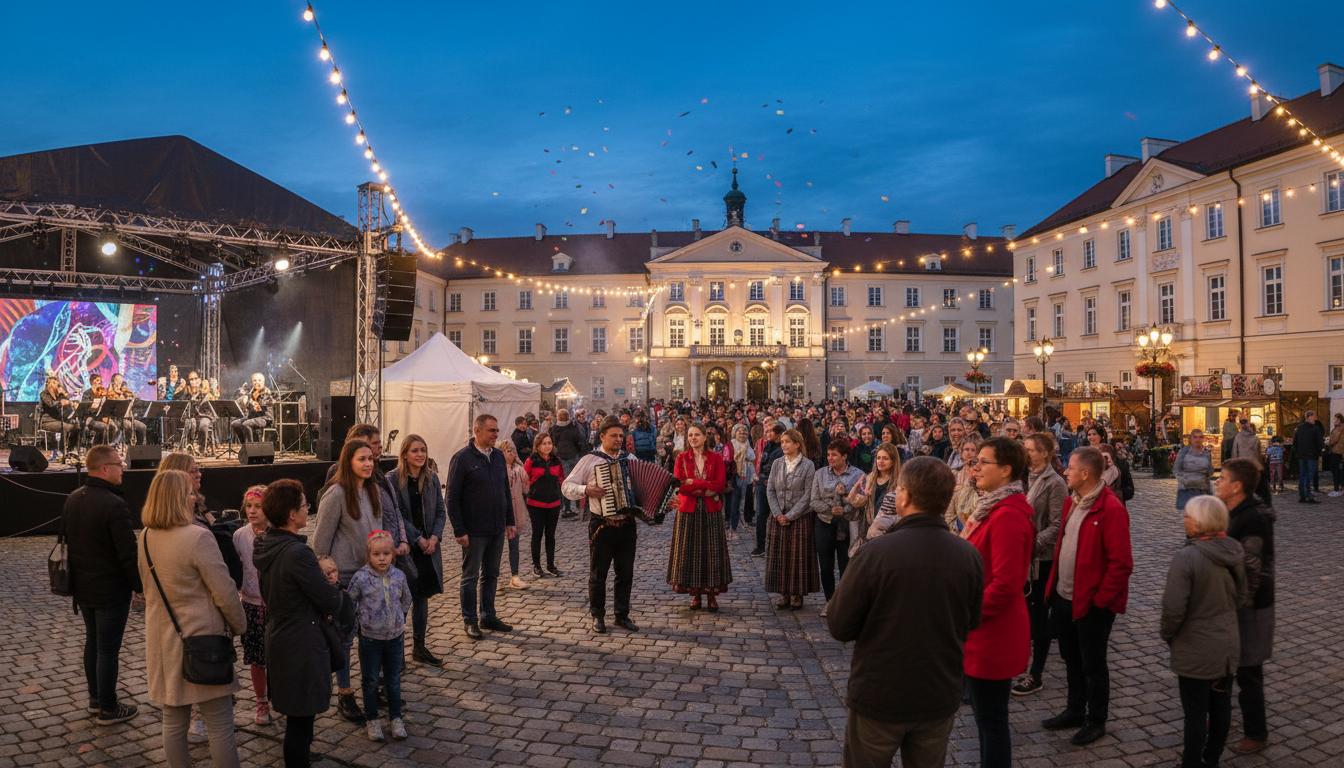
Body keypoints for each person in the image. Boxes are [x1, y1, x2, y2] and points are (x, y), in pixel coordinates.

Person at [828, 457, 983, 768]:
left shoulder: (876, 553)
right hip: (937, 692)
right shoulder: (968, 555)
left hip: (880, 694)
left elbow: (840, 624)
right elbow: (971, 620)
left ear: (906, 496)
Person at [137, 469, 246, 768]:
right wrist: (239, 625)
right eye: (188, 492)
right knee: (220, 724)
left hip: (163, 640)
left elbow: (148, 588)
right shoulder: (198, 537)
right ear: (174, 497)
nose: (195, 497)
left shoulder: (146, 536)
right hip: (202, 640)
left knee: (173, 721)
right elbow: (224, 591)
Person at [1043, 446, 1134, 746]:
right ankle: (1074, 708)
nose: (1065, 471)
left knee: (1093, 663)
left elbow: (1121, 563)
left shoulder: (1110, 508)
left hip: (1092, 602)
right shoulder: (1073, 502)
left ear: (1085, 473)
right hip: (1064, 596)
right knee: (1071, 657)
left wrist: (1100, 600)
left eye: (1070, 467)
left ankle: (1096, 719)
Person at [254, 478, 345, 768]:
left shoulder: (268, 544)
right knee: (300, 719)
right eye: (305, 505)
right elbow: (327, 598)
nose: (309, 510)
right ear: (292, 514)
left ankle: (301, 754)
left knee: (298, 715)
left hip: (284, 636)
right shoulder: (297, 553)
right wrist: (337, 593)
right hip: (300, 643)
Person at [962, 437, 1035, 768]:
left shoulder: (1007, 514)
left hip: (992, 632)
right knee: (985, 720)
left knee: (992, 722)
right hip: (982, 630)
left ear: (1006, 470)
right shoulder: (992, 506)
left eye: (983, 462)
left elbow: (1005, 584)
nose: (975, 468)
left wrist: (968, 615)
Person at [1160, 495, 1247, 768]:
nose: (1184, 519)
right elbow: (1242, 597)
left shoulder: (1187, 557)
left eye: (1188, 515)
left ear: (1200, 522)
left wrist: (1169, 634)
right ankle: (1211, 759)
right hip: (1226, 647)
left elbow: (1174, 609)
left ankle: (1192, 763)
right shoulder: (1233, 551)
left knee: (1196, 713)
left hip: (1196, 648)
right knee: (1220, 707)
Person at [62, 444, 142, 725]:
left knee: (93, 642)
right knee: (107, 649)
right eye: (120, 464)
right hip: (110, 589)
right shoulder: (114, 504)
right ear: (105, 469)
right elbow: (128, 553)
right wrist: (140, 587)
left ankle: (96, 700)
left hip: (84, 587)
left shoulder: (74, 498)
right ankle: (108, 707)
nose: (123, 469)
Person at [314, 438, 389, 721]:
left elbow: (377, 532)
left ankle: (372, 688)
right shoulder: (335, 494)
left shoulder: (374, 492)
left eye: (371, 458)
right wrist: (329, 580)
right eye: (362, 459)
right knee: (344, 641)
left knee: (370, 637)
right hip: (344, 579)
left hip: (370, 577)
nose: (369, 463)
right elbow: (320, 543)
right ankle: (344, 694)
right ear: (349, 461)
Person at [1214, 458, 1277, 756]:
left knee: (1249, 670)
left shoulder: (1251, 519)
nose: (1217, 482)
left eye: (1222, 478)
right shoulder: (1233, 511)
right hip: (1234, 603)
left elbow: (1251, 570)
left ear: (1236, 486)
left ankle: (1256, 732)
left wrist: (1236, 606)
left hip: (1250, 607)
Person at [562, 416, 642, 634]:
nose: (618, 439)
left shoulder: (631, 458)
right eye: (614, 436)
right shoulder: (590, 459)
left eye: (620, 436)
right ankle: (598, 615)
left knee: (625, 573)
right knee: (598, 573)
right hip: (602, 525)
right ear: (602, 436)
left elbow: (641, 488)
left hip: (627, 524)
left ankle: (621, 615)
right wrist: (585, 490)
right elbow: (566, 486)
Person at [446, 414, 518, 640]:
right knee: (470, 576)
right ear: (477, 431)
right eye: (491, 431)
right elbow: (452, 497)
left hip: (496, 527)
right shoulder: (462, 458)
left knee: (492, 574)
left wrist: (509, 521)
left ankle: (488, 614)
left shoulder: (497, 456)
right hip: (474, 530)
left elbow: (505, 490)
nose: (496, 434)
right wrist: (459, 529)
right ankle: (470, 619)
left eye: (497, 430)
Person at [1013, 432, 1067, 697]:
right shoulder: (1019, 477)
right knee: (1021, 614)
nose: (1026, 453)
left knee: (1038, 617)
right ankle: (1020, 663)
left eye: (1031, 449)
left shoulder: (1054, 483)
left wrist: (1030, 544)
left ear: (1045, 453)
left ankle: (1036, 673)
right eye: (1024, 448)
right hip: (1019, 558)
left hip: (1040, 559)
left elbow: (1057, 525)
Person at [347, 530, 413, 742]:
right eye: (377, 554)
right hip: (370, 639)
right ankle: (372, 719)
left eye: (386, 553)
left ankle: (395, 718)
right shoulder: (361, 578)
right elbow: (351, 602)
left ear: (393, 554)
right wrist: (360, 623)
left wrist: (399, 619)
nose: (382, 558)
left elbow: (406, 599)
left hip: (395, 637)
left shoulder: (398, 576)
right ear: (369, 556)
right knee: (371, 680)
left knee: (393, 680)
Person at [387, 434, 447, 665]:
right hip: (406, 549)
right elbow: (395, 514)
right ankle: (397, 653)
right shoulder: (393, 480)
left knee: (422, 598)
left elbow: (441, 511)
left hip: (429, 549)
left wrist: (435, 537)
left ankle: (419, 647)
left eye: (423, 450)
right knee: (402, 600)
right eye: (415, 450)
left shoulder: (431, 478)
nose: (420, 454)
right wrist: (417, 538)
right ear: (404, 454)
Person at [667, 423, 732, 610]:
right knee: (690, 552)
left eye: (696, 435)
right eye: (690, 435)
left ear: (705, 437)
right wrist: (704, 487)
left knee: (711, 551)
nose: (693, 438)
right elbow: (680, 484)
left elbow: (719, 484)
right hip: (688, 510)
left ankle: (712, 595)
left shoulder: (716, 458)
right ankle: (695, 594)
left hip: (711, 510)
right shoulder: (681, 458)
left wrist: (694, 483)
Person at [765, 429, 819, 610]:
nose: (784, 445)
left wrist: (790, 515)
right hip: (778, 515)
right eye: (782, 442)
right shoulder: (777, 463)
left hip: (799, 518)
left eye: (788, 442)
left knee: (798, 556)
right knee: (780, 556)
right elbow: (770, 489)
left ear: (797, 444)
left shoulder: (808, 465)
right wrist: (777, 513)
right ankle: (784, 593)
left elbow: (808, 494)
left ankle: (797, 593)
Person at [231, 485, 271, 725]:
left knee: (277, 656)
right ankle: (261, 701)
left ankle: (281, 695)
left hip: (274, 605)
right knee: (257, 659)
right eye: (249, 506)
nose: (253, 511)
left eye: (258, 506)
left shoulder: (277, 533)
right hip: (251, 603)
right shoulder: (240, 536)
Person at [810, 438, 864, 617]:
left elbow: (860, 501)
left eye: (834, 455)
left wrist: (846, 508)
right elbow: (814, 500)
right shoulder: (820, 474)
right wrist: (830, 509)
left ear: (845, 456)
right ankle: (829, 601)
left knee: (846, 566)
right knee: (825, 566)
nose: (830, 458)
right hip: (824, 523)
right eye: (828, 454)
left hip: (847, 525)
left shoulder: (858, 475)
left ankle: (844, 602)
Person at [846, 442, 900, 554]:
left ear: (893, 461)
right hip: (870, 530)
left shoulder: (900, 481)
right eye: (878, 458)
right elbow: (856, 503)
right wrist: (860, 491)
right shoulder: (870, 478)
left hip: (891, 532)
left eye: (885, 458)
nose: (880, 461)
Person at [524, 432, 565, 577]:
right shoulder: (531, 461)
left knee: (550, 535)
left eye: (549, 443)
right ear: (537, 446)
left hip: (553, 503)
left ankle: (551, 565)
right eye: (544, 443)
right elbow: (525, 480)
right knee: (537, 535)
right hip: (535, 504)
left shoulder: (556, 461)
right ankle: (537, 566)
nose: (547, 446)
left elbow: (561, 479)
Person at [499, 440, 532, 590]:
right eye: (508, 450)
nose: (512, 453)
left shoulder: (518, 469)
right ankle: (493, 578)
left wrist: (523, 470)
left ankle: (515, 576)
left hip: (516, 510)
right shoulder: (496, 469)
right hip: (500, 511)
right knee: (496, 547)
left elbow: (526, 489)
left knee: (514, 545)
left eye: (513, 450)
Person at [752, 423, 784, 557]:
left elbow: (772, 467)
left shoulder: (781, 448)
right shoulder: (767, 445)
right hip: (762, 484)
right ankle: (761, 545)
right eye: (767, 431)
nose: (768, 433)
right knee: (761, 515)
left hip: (775, 485)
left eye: (771, 431)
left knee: (777, 514)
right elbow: (762, 463)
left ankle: (776, 545)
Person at [945, 438, 982, 533]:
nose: (969, 453)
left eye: (973, 450)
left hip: (973, 517)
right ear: (961, 453)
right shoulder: (954, 473)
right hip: (954, 517)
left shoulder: (981, 474)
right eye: (966, 449)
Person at [39, 374, 81, 455]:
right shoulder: (44, 394)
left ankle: (70, 449)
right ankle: (63, 449)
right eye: (54, 383)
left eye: (57, 383)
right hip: (47, 421)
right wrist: (60, 402)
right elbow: (50, 404)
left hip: (59, 420)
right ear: (49, 384)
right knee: (68, 427)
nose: (57, 385)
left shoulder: (59, 395)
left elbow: (66, 404)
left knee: (77, 427)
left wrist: (70, 401)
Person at [726, 424, 755, 540]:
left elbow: (752, 457)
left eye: (744, 432)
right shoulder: (731, 444)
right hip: (733, 475)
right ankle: (732, 527)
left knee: (740, 501)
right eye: (740, 431)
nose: (742, 433)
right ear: (734, 433)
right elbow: (727, 459)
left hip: (745, 475)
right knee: (734, 502)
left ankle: (736, 523)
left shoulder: (747, 444)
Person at [1174, 430, 1214, 511]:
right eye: (1195, 437)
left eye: (1200, 437)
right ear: (1191, 439)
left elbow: (1210, 471)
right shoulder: (1184, 452)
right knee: (1191, 515)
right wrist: (1184, 480)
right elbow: (1176, 469)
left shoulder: (1206, 453)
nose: (1197, 440)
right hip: (1187, 489)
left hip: (1202, 489)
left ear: (1203, 439)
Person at [231, 372, 274, 444]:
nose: (257, 382)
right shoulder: (253, 392)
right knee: (234, 424)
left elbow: (260, 408)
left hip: (264, 418)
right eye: (254, 380)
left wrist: (250, 402)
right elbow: (248, 407)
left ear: (263, 382)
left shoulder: (267, 393)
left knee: (246, 424)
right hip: (252, 417)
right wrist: (245, 403)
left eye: (259, 380)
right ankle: (244, 445)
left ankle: (251, 447)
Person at [1292, 411, 1324, 503]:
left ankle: (1302, 495)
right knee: (1309, 475)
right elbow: (1320, 443)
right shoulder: (1315, 428)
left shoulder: (1299, 428)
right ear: (1309, 417)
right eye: (1314, 417)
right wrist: (1320, 451)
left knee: (1303, 475)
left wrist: (1298, 453)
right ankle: (1308, 496)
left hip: (1302, 456)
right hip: (1311, 456)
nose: (1315, 418)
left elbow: (1295, 443)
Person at [1327, 413, 1344, 497]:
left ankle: (1336, 489)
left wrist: (1328, 444)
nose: (1335, 421)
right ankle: (1340, 488)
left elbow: (1335, 439)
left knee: (1335, 471)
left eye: (1336, 419)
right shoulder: (1338, 427)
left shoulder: (1340, 428)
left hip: (1336, 451)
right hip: (1338, 451)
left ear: (1340, 420)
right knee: (1339, 471)